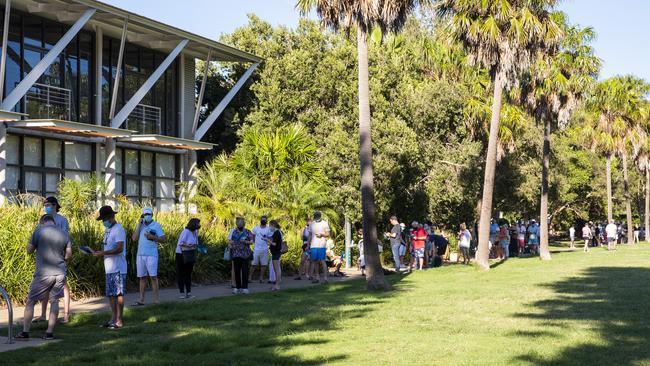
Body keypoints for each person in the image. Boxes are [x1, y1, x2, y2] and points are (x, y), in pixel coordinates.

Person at [14, 215, 71, 341]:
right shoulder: (64, 233)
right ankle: (49, 333)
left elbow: (29, 250)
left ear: (42, 222)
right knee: (55, 301)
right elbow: (68, 255)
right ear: (53, 222)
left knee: (31, 301)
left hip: (44, 273)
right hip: (60, 272)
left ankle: (25, 332)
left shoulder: (38, 231)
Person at [34, 196, 72, 324]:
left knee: (64, 285)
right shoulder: (43, 219)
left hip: (59, 256)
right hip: (45, 257)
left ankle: (66, 314)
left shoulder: (62, 220)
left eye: (49, 205)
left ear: (55, 205)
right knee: (46, 286)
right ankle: (43, 314)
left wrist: (65, 256)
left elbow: (65, 238)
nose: (46, 207)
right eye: (45, 205)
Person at [92, 206, 127, 330]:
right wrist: (99, 252)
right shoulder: (108, 230)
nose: (103, 222)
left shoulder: (119, 229)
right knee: (111, 294)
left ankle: (119, 319)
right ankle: (113, 318)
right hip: (109, 267)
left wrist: (102, 253)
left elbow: (119, 248)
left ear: (110, 217)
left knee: (118, 294)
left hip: (118, 267)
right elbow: (108, 248)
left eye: (104, 219)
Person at [132, 207, 166, 306]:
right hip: (140, 255)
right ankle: (141, 299)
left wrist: (153, 237)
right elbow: (134, 238)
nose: (147, 216)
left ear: (152, 215)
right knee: (142, 277)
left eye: (149, 214)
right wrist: (139, 224)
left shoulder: (156, 225)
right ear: (142, 216)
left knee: (153, 277)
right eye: (145, 214)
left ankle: (156, 299)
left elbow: (164, 239)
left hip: (152, 254)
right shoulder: (140, 225)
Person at [176, 218, 200, 299]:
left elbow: (196, 243)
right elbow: (180, 243)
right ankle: (182, 292)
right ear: (193, 224)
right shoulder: (186, 231)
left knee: (188, 274)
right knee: (181, 273)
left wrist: (196, 246)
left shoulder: (195, 232)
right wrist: (188, 245)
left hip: (190, 254)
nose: (199, 225)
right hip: (181, 254)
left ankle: (188, 292)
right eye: (197, 224)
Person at [228, 217, 253, 294]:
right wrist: (230, 244)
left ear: (244, 224)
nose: (240, 224)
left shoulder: (248, 231)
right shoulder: (233, 231)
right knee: (236, 271)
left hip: (245, 255)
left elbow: (252, 242)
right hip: (236, 254)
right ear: (236, 224)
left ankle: (245, 288)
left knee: (245, 271)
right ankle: (237, 287)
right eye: (238, 223)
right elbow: (229, 241)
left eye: (241, 223)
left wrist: (245, 241)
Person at [309, 211, 330, 284]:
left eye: (317, 217)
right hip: (313, 245)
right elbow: (310, 234)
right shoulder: (312, 224)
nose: (316, 218)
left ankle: (325, 278)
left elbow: (328, 234)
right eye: (315, 217)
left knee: (322, 261)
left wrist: (322, 234)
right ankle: (317, 277)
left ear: (320, 216)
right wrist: (308, 245)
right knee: (315, 261)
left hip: (321, 245)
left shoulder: (324, 223)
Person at [251, 215, 272, 283]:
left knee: (264, 265)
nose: (263, 221)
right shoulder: (256, 228)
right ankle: (249, 277)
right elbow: (252, 235)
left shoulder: (268, 229)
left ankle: (261, 278)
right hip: (256, 249)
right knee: (253, 264)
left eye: (265, 220)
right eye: (262, 220)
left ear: (266, 221)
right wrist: (253, 241)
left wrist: (268, 242)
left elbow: (270, 237)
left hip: (265, 249)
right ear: (260, 220)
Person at [267, 220, 284, 291]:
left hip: (276, 253)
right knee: (276, 269)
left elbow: (274, 244)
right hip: (276, 253)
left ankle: (277, 285)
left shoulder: (277, 232)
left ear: (273, 225)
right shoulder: (277, 232)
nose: (269, 227)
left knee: (276, 269)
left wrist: (267, 240)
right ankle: (276, 284)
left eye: (270, 225)